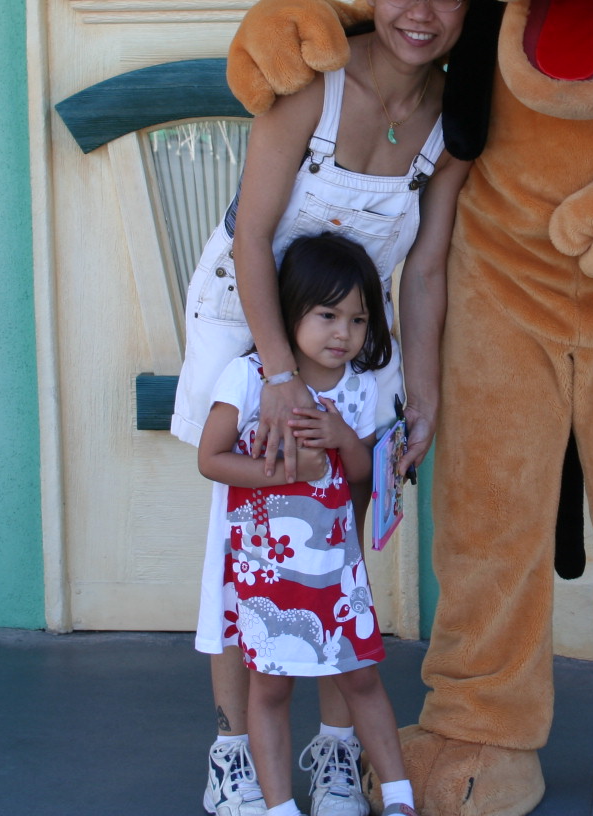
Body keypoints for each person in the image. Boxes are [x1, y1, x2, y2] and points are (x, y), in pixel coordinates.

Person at [170, 0, 473, 816]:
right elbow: (253, 236)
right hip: (249, 320)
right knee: (248, 537)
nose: (420, 12)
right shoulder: (315, 89)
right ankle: (234, 754)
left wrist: (422, 395)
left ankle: (339, 752)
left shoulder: (454, 120)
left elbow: (424, 270)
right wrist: (275, 376)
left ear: (467, 7)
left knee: (339, 532)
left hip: (352, 335)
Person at [197, 232, 416, 816]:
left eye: (358, 319)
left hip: (336, 574)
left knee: (361, 678)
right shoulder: (247, 378)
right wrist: (285, 474)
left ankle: (399, 798)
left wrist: (344, 439)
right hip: (267, 574)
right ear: (290, 310)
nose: (343, 333)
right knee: (270, 688)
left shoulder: (359, 388)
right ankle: (279, 808)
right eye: (327, 315)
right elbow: (211, 459)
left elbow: (364, 474)